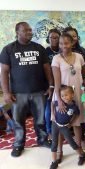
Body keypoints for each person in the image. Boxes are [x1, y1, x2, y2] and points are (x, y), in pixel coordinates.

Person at [0, 22, 53, 157]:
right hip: (18, 93)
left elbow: (47, 68)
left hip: (39, 91)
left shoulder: (39, 48)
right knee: (18, 121)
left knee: (40, 119)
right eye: (26, 30)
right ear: (17, 32)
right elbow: (4, 72)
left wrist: (51, 85)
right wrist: (6, 92)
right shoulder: (8, 49)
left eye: (30, 30)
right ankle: (18, 144)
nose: (30, 32)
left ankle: (42, 140)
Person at [51, 33, 85, 162]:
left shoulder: (79, 56)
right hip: (62, 96)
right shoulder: (56, 59)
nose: (63, 46)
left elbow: (82, 75)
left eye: (66, 43)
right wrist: (59, 101)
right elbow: (56, 82)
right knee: (60, 125)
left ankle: (79, 152)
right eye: (61, 43)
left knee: (77, 123)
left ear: (72, 43)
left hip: (76, 94)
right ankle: (59, 151)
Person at [50, 85, 85, 169]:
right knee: (54, 143)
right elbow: (52, 103)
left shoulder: (73, 107)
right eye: (62, 96)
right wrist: (52, 114)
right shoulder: (60, 103)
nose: (64, 97)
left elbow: (77, 114)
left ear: (72, 94)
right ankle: (54, 161)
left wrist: (71, 122)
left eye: (66, 95)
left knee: (71, 142)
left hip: (64, 127)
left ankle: (82, 155)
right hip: (55, 124)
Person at [45, 28, 61, 141]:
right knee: (48, 109)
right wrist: (50, 86)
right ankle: (49, 131)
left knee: (63, 107)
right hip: (49, 85)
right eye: (51, 37)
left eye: (56, 37)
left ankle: (64, 129)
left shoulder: (63, 50)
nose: (53, 40)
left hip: (62, 83)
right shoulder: (45, 51)